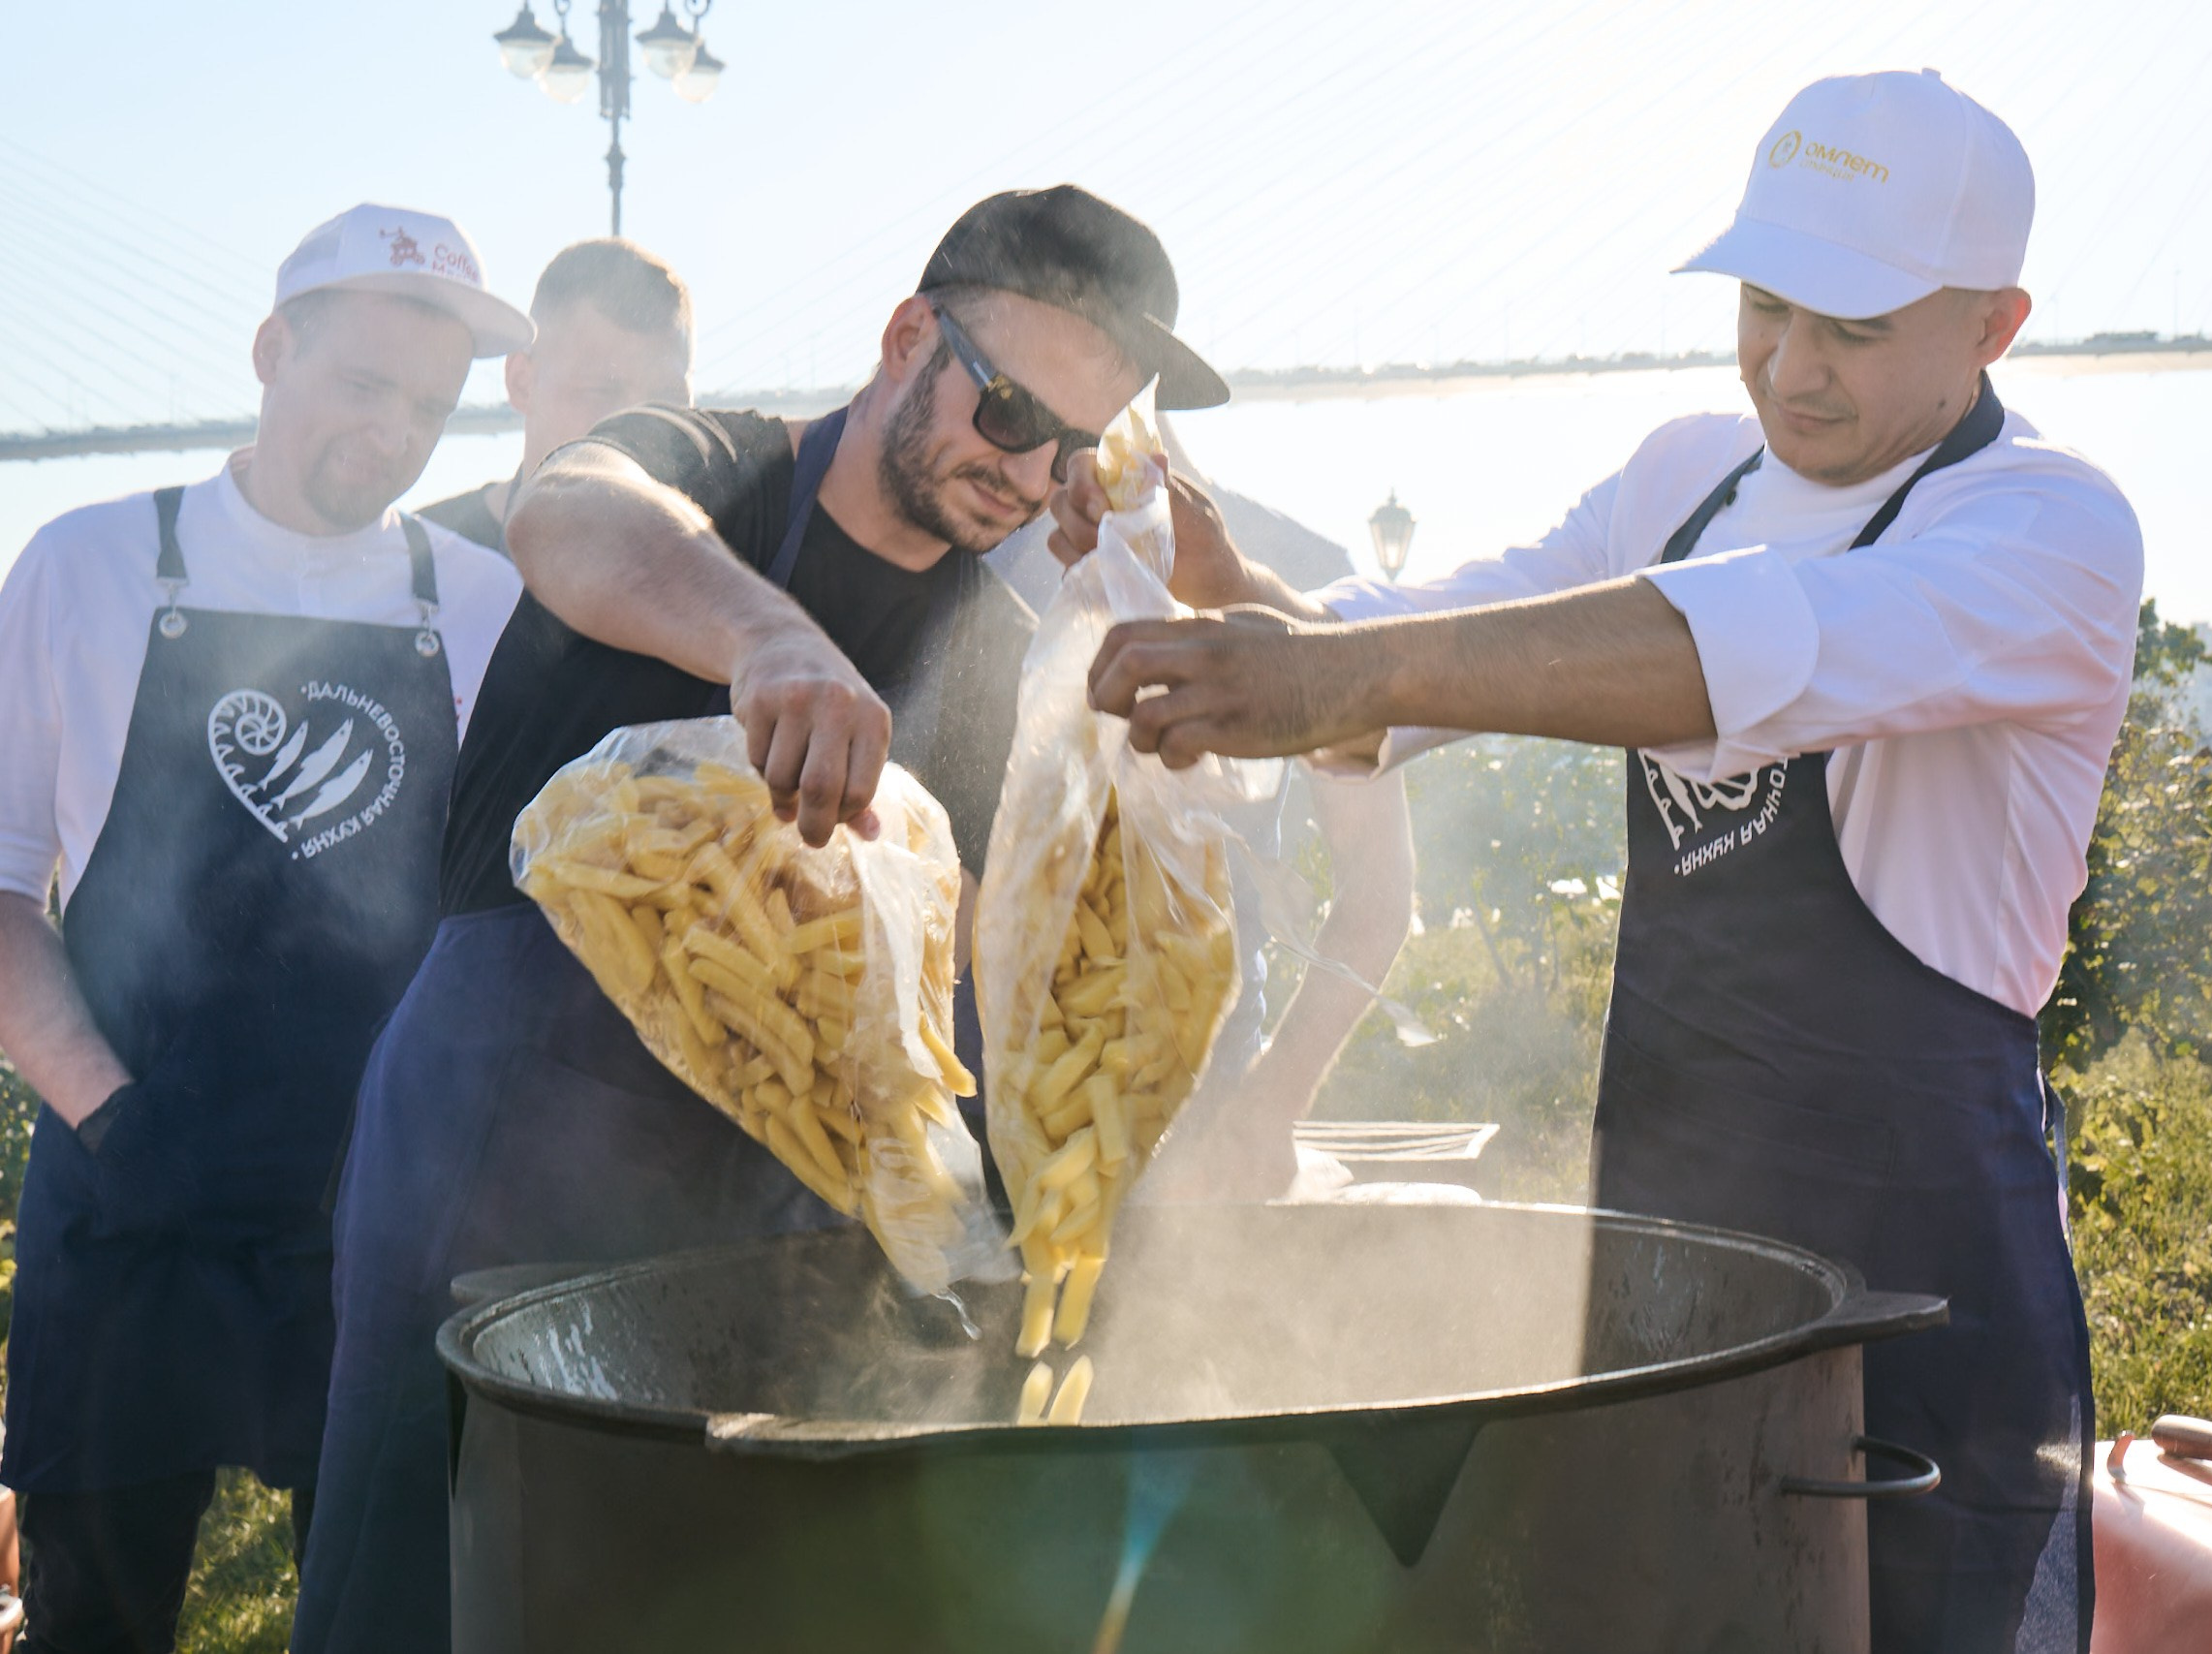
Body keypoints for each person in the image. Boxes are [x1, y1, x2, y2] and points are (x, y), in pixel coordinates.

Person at [1059, 72, 2139, 1652]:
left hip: (1929, 1294)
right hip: (1673, 1264)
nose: (1791, 363)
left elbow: (1763, 645)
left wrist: (1346, 676)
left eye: (1853, 322)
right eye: (1766, 305)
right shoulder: (1686, 474)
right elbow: (1399, 685)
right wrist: (1256, 614)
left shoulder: (2044, 528)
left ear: (1995, 322)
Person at [292, 184, 1226, 1654]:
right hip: (498, 1166)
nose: (1027, 471)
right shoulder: (701, 468)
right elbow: (565, 512)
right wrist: (768, 637)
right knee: (433, 1595)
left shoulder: (994, 660)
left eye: (1071, 447)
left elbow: (971, 1007)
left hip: (766, 1231)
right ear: (909, 335)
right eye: (1005, 411)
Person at [0, 203, 528, 1654]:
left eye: (431, 405)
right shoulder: (87, 566)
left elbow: (518, 915)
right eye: (363, 384)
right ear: (269, 350)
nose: (398, 434)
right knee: (92, 1624)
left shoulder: (479, 606)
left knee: (392, 1617)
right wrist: (116, 1118)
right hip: (129, 1199)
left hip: (378, 1220)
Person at [987, 440, 1417, 1200]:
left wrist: (1270, 1105)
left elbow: (1379, 885)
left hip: (1199, 1133)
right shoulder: (978, 542)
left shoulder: (1281, 571)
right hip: (994, 1126)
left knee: (1181, 1310)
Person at [420, 238, 696, 555]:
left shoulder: (737, 562)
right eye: (603, 391)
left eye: (667, 400)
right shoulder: (420, 565)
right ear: (522, 382)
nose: (643, 426)